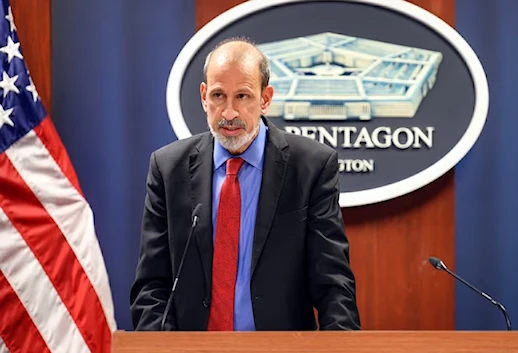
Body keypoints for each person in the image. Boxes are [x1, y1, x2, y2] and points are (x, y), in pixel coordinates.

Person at [130, 37, 361, 331]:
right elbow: (152, 286)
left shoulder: (310, 167)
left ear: (265, 99)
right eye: (218, 96)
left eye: (242, 96)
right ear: (203, 96)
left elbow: (333, 286)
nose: (228, 113)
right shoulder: (168, 168)